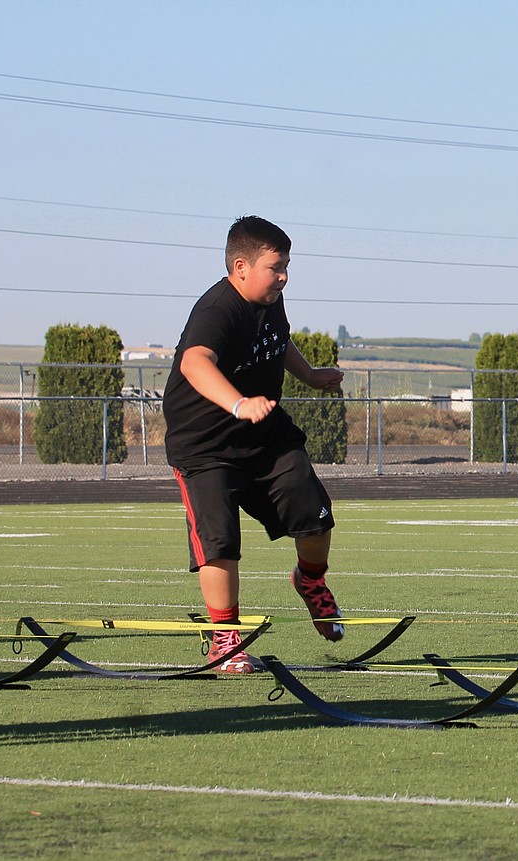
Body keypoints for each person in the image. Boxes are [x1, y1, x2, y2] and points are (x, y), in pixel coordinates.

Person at [163, 216, 347, 673]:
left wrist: (310, 376)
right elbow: (194, 362)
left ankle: (310, 581)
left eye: (287, 266)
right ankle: (225, 636)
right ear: (241, 266)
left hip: (265, 436)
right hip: (205, 447)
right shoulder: (217, 309)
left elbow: (277, 343)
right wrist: (238, 403)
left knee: (314, 513)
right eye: (276, 267)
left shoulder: (271, 299)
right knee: (219, 542)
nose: (284, 276)